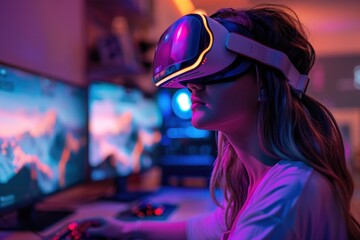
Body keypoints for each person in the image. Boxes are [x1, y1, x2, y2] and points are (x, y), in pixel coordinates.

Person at [86, 3, 360, 239]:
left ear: (265, 84)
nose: (192, 86)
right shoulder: (260, 182)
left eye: (216, 68)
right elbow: (204, 229)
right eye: (191, 77)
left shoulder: (285, 198)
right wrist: (125, 231)